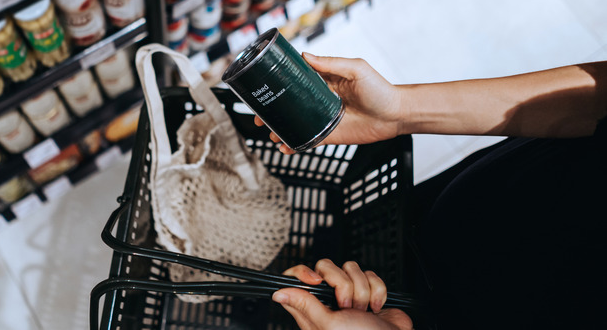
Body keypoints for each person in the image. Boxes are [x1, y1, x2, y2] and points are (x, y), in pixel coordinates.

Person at [257, 54, 607, 329]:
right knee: (328, 253)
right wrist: (398, 111)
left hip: (455, 315)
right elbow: (598, 95)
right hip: (441, 213)